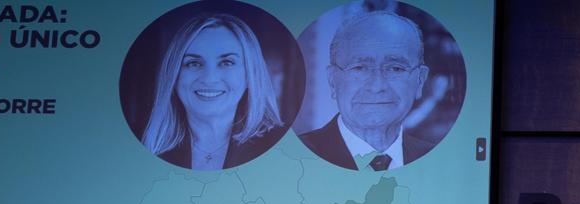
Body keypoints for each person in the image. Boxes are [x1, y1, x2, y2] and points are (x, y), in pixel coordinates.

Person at [141, 12, 284, 170]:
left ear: (250, 75)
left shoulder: (282, 148)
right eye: (194, 63)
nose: (209, 78)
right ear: (174, 76)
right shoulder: (145, 150)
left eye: (227, 62)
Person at [297, 11, 434, 171]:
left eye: (396, 68)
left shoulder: (439, 162)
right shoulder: (295, 158)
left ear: (419, 81)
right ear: (333, 81)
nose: (377, 86)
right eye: (359, 68)